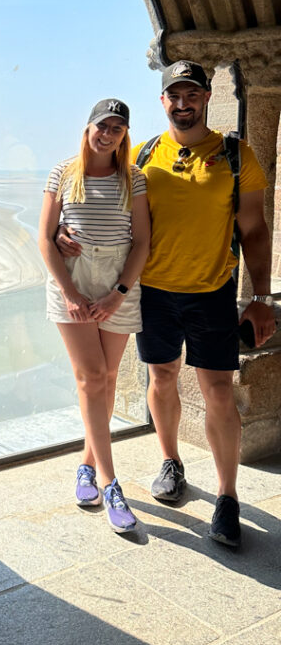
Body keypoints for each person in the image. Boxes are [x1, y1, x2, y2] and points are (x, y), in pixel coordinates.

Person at [57, 61, 275, 548]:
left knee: (218, 391)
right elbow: (97, 201)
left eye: (192, 94)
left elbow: (256, 231)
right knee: (161, 377)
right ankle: (171, 462)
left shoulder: (238, 156)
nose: (183, 103)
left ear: (206, 98)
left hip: (212, 290)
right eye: (174, 95)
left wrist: (259, 298)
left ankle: (226, 497)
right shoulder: (143, 154)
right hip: (151, 291)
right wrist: (61, 231)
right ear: (162, 102)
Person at [38, 98, 150, 533]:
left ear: (125, 136)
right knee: (90, 377)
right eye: (102, 125)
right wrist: (69, 293)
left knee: (106, 378)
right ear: (87, 129)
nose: (108, 134)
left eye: (118, 128)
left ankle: (86, 465)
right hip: (74, 280)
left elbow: (141, 242)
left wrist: (119, 293)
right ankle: (110, 480)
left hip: (119, 280)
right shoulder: (63, 173)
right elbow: (47, 239)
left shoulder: (133, 179)